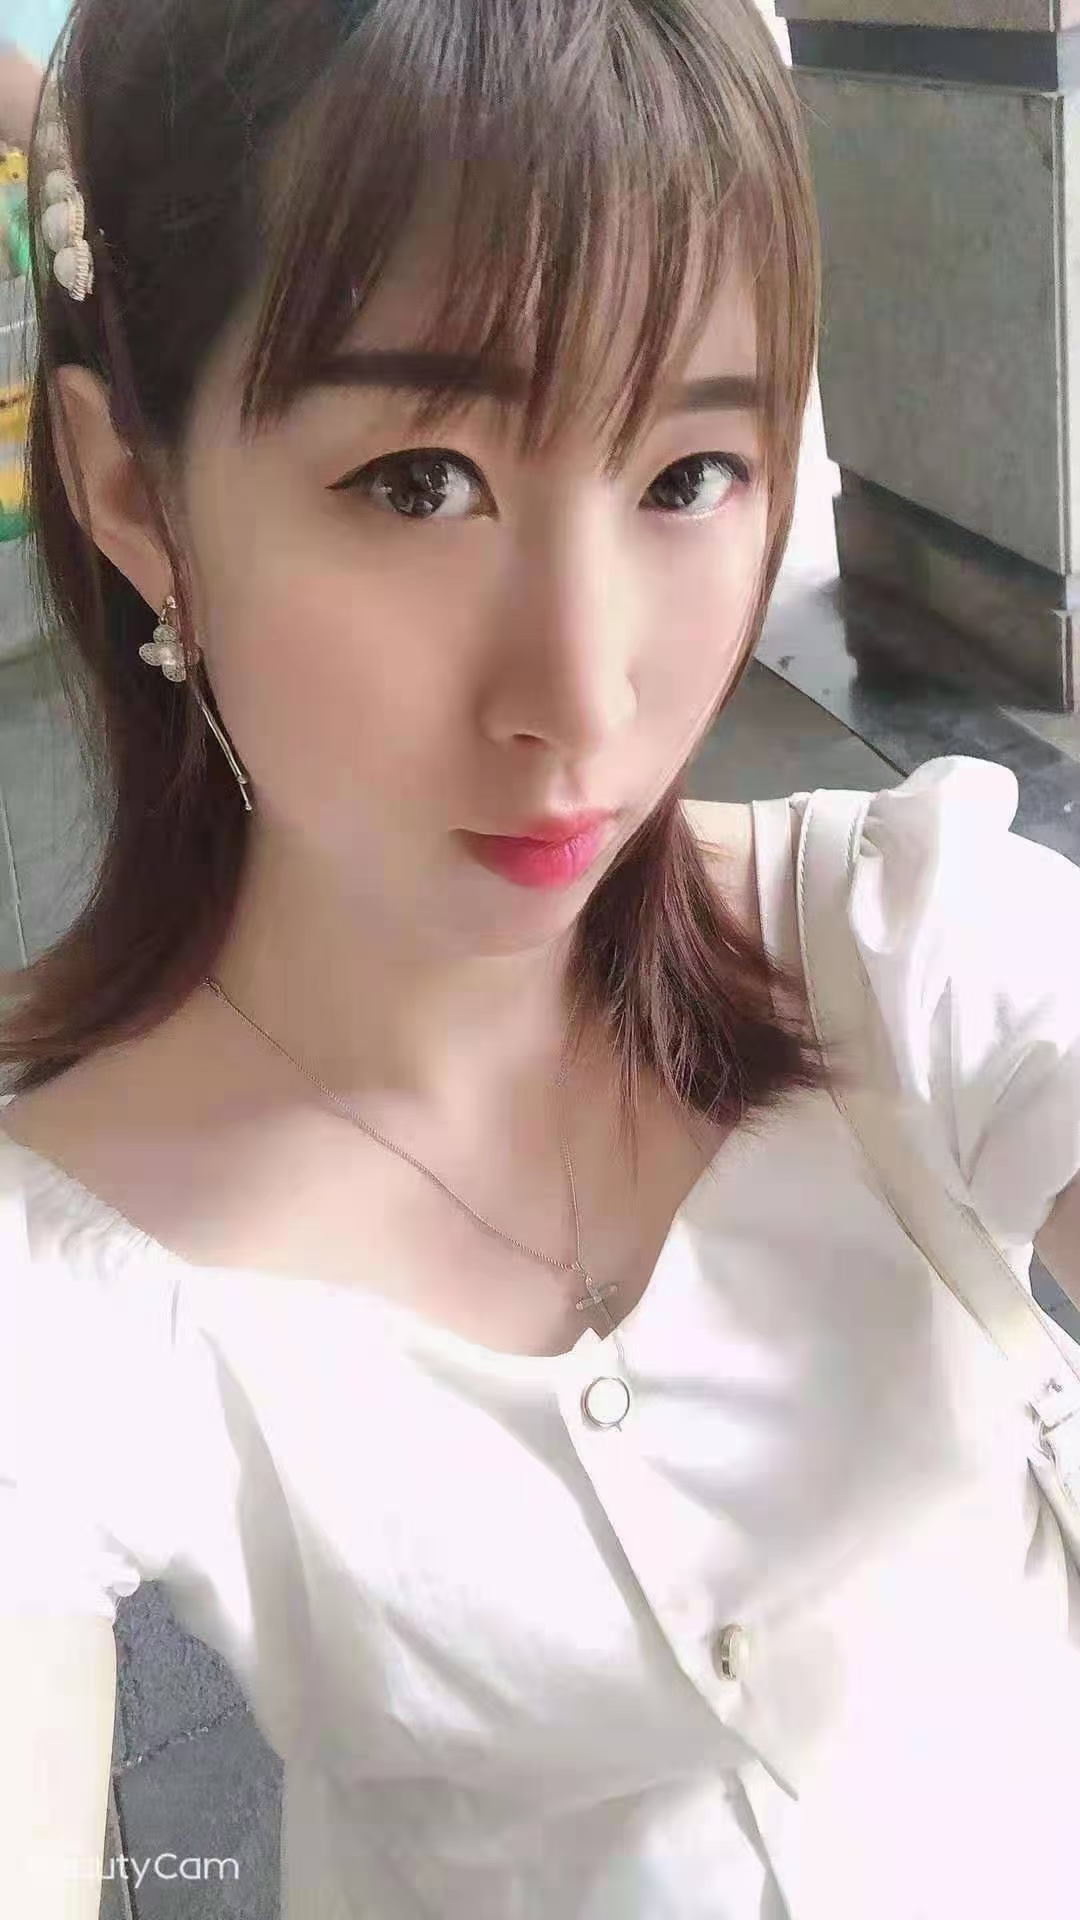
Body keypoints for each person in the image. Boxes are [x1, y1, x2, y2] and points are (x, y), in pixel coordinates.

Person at [2, 1, 1079, 1915]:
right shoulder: (63, 1290)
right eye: (420, 481)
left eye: (687, 475)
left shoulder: (911, 946)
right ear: (135, 495)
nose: (585, 699)